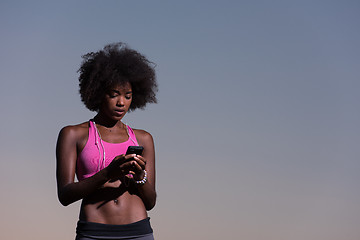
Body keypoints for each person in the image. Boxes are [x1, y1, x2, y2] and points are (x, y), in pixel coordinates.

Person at [56, 42, 158, 240]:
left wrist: (140, 175)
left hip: (139, 231)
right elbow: (65, 195)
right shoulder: (73, 134)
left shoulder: (144, 138)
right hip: (94, 232)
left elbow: (151, 201)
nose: (121, 102)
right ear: (97, 92)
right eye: (114, 95)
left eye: (128, 96)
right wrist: (107, 173)